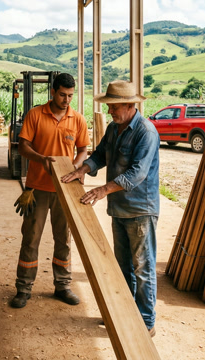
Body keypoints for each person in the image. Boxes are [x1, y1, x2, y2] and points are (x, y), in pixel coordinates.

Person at [60, 80, 160, 337]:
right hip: (119, 209)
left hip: (140, 210)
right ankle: (124, 313)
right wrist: (82, 169)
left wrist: (102, 190)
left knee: (143, 268)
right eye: (109, 107)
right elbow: (99, 156)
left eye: (114, 107)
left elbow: (137, 174)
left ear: (129, 105)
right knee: (123, 266)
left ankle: (146, 323)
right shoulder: (115, 129)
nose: (110, 112)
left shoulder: (146, 132)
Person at [10, 72, 90, 309]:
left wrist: (76, 168)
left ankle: (63, 285)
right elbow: (23, 147)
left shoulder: (78, 120)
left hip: (66, 190)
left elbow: (84, 150)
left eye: (70, 96)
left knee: (63, 240)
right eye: (63, 95)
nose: (67, 100)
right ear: (53, 92)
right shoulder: (35, 115)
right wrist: (41, 159)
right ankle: (23, 289)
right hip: (37, 189)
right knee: (31, 239)